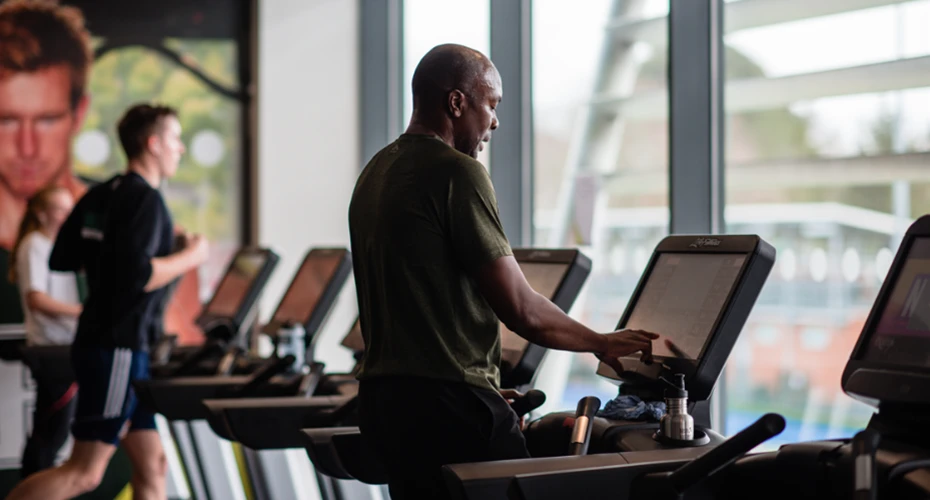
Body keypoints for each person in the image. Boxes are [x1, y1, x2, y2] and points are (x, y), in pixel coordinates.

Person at [349, 43, 660, 499]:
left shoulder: (376, 172)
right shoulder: (457, 173)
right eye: (490, 104)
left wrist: (486, 394)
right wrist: (602, 342)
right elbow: (521, 308)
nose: (495, 121)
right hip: (446, 409)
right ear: (456, 103)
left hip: (386, 407)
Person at [4, 104, 209, 500]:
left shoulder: (103, 194)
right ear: (152, 144)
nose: (180, 149)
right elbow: (139, 276)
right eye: (174, 139)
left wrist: (139, 250)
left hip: (113, 341)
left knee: (154, 465)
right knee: (85, 472)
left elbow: (63, 258)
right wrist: (191, 256)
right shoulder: (146, 200)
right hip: (117, 346)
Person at [0, 0, 93, 325]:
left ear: (78, 113)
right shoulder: (35, 246)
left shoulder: (115, 220)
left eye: (47, 120)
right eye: (7, 120)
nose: (27, 148)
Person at [9, 186, 82, 478]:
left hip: (66, 347)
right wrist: (83, 313)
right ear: (41, 214)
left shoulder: (58, 247)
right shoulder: (34, 245)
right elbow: (36, 299)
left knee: (53, 434)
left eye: (69, 208)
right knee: (49, 436)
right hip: (52, 351)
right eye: (59, 209)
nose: (67, 215)